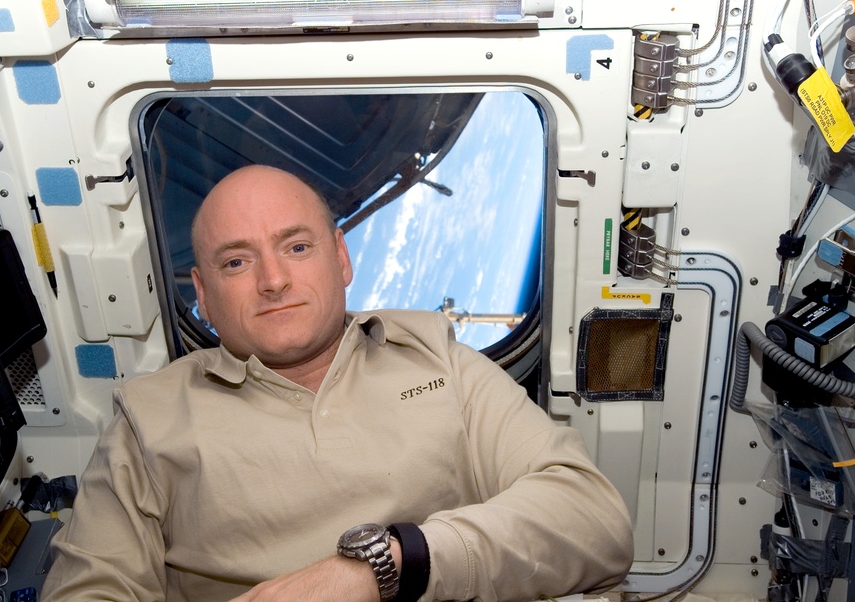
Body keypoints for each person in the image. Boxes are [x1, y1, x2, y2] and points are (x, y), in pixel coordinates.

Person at [40, 164, 634, 602]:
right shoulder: (147, 422)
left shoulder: (439, 363)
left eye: (297, 247)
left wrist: (387, 565)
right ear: (202, 293)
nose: (273, 280)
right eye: (236, 263)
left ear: (341, 259)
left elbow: (593, 519)